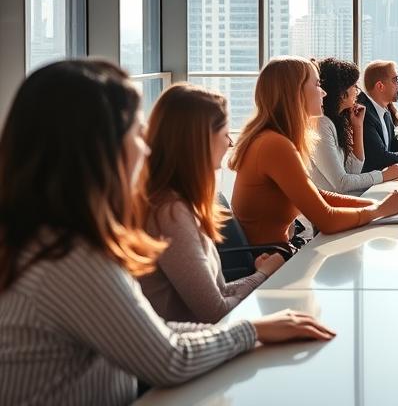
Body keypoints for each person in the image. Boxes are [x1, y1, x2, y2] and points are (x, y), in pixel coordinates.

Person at [0, 59, 333, 405]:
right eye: (137, 134)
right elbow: (168, 359)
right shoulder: (71, 257)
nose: (145, 149)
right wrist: (251, 330)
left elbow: (147, 331)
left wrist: (254, 330)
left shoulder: (43, 244)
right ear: (98, 150)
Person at [138, 83, 285, 323]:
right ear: (201, 140)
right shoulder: (170, 212)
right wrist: (263, 274)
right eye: (225, 133)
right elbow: (216, 311)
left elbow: (219, 294)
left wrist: (260, 274)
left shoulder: (176, 202)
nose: (230, 143)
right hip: (191, 349)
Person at [230, 57, 398, 246]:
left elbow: (318, 195)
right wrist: (379, 210)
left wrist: (378, 206)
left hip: (280, 252)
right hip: (273, 258)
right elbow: (327, 219)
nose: (324, 92)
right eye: (317, 85)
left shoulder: (276, 139)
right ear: (295, 92)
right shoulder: (275, 145)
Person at [311, 58, 398, 194]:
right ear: (341, 92)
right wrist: (383, 175)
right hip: (331, 207)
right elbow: (342, 183)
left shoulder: (338, 121)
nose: (357, 91)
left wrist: (357, 127)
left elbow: (354, 170)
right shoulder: (322, 124)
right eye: (354, 86)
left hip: (344, 200)